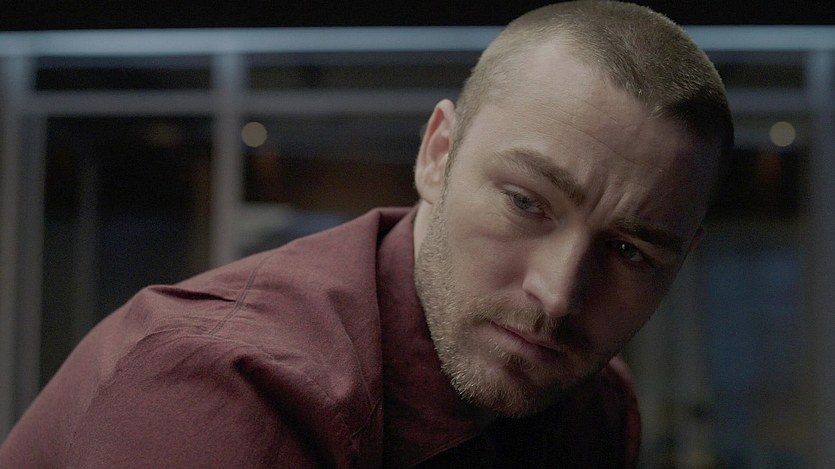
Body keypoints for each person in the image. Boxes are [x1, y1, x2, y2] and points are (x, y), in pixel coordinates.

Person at [0, 1, 733, 467]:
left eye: (630, 251)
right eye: (525, 203)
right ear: (437, 155)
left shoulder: (592, 406)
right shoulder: (218, 388)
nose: (558, 293)